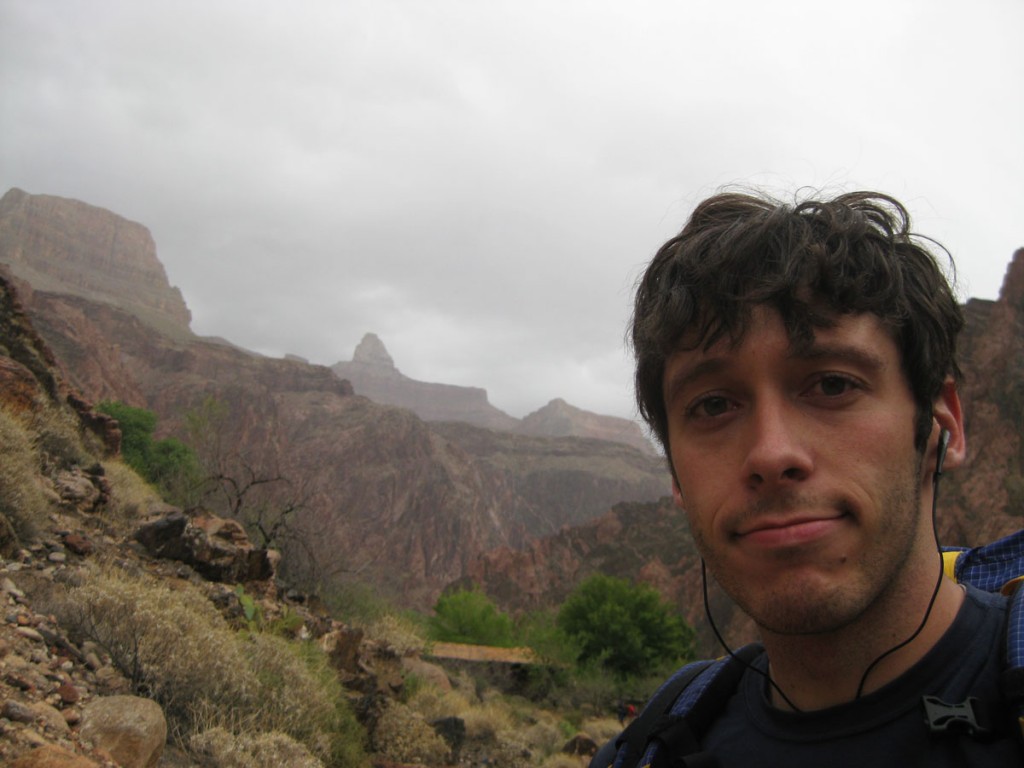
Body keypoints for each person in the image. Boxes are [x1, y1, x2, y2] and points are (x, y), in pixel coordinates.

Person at [614, 190, 1022, 765]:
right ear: (676, 475)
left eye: (832, 384)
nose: (771, 453)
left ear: (941, 426)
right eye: (712, 406)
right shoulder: (648, 750)